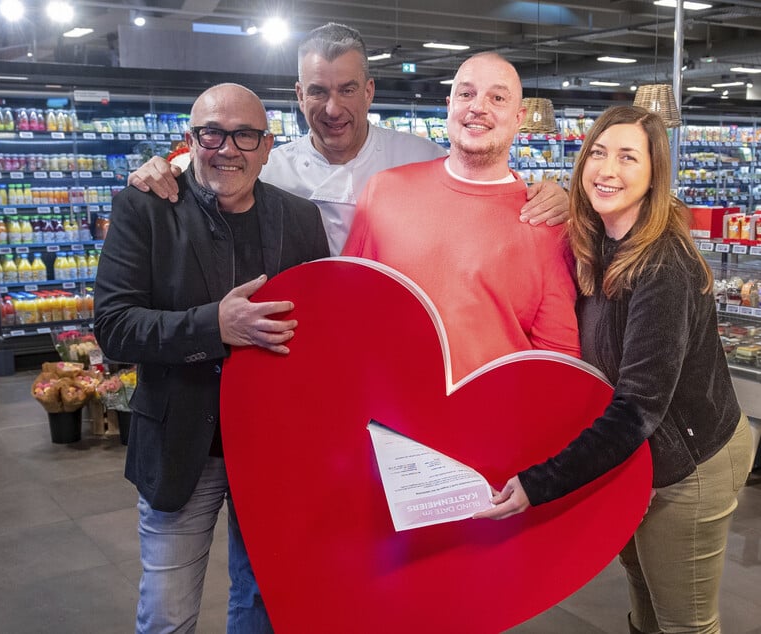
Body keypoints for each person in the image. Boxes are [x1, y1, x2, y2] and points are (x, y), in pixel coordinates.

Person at [475, 105, 754, 634]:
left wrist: (540, 483)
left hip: (691, 461)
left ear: (654, 175)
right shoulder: (597, 243)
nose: (608, 170)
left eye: (628, 158)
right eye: (598, 153)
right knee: (645, 600)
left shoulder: (662, 265)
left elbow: (638, 407)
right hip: (638, 455)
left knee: (685, 622)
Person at [93, 83, 329, 633]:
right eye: (212, 134)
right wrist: (214, 326)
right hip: (181, 447)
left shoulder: (300, 218)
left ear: (267, 146)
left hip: (273, 450)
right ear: (190, 139)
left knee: (263, 604)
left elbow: (319, 331)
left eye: (244, 135)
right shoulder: (146, 208)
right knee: (167, 613)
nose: (228, 149)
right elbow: (114, 326)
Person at [128, 23, 570, 256]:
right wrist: (161, 171)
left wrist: (555, 197)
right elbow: (202, 175)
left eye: (347, 90)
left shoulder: (421, 157)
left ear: (369, 92)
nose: (333, 108)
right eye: (318, 91)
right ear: (299, 95)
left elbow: (485, 192)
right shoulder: (264, 167)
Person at [342, 52, 580, 381]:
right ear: (449, 105)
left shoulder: (547, 222)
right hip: (388, 406)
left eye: (497, 98)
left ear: (519, 118)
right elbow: (347, 307)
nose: (478, 107)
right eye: (466, 94)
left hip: (494, 410)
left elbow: (557, 361)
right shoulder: (382, 191)